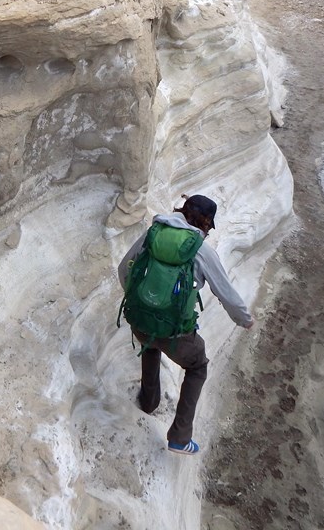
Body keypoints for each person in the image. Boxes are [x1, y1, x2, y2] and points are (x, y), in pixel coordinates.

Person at [118, 194, 255, 455]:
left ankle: (148, 401)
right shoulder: (201, 250)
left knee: (150, 342)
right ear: (205, 224)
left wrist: (142, 302)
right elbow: (225, 293)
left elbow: (124, 269)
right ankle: (180, 438)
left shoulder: (153, 233)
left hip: (140, 321)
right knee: (197, 366)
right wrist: (245, 320)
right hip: (175, 332)